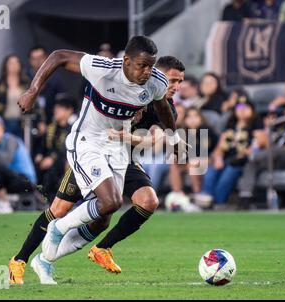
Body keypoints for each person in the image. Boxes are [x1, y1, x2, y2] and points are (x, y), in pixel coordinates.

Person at [15, 37, 181, 284]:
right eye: (142, 66)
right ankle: (29, 252)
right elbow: (59, 56)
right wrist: (32, 90)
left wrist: (174, 137)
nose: (147, 72)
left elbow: (164, 112)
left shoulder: (156, 83)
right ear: (126, 61)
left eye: (151, 66)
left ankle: (45, 260)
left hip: (119, 152)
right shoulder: (102, 69)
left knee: (106, 214)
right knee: (78, 206)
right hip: (87, 142)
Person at [199, 99, 262, 207]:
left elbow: (258, 145)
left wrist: (244, 153)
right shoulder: (229, 128)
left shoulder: (256, 128)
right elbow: (219, 149)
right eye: (239, 108)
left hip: (241, 162)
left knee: (228, 174)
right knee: (212, 170)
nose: (242, 111)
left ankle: (218, 202)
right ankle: (205, 199)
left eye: (246, 108)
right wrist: (218, 159)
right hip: (226, 159)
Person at [168, 107, 218, 199]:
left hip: (207, 159)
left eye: (195, 116)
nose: (193, 119)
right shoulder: (183, 133)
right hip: (189, 160)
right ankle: (177, 194)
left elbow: (217, 145)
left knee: (193, 163)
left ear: (200, 118)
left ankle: (197, 194)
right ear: (185, 119)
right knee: (173, 163)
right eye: (189, 117)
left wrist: (215, 156)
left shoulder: (207, 130)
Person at [34, 94, 75, 201]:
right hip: (47, 160)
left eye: (60, 108)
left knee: (56, 167)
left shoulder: (72, 130)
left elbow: (66, 149)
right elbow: (42, 145)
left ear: (69, 111)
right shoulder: (51, 128)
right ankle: (37, 195)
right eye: (56, 107)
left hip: (61, 161)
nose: (56, 110)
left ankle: (52, 198)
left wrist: (52, 158)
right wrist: (40, 154)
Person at [0, 55, 32, 138]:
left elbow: (34, 102)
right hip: (4, 122)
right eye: (11, 63)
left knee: (21, 147)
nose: (14, 65)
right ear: (5, 66)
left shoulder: (26, 83)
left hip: (22, 123)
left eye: (16, 62)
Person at [27, 46, 65, 125]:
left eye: (40, 57)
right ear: (30, 61)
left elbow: (62, 100)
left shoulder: (55, 78)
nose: (38, 61)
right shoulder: (25, 78)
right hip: (29, 121)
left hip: (52, 121)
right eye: (34, 58)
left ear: (47, 58)